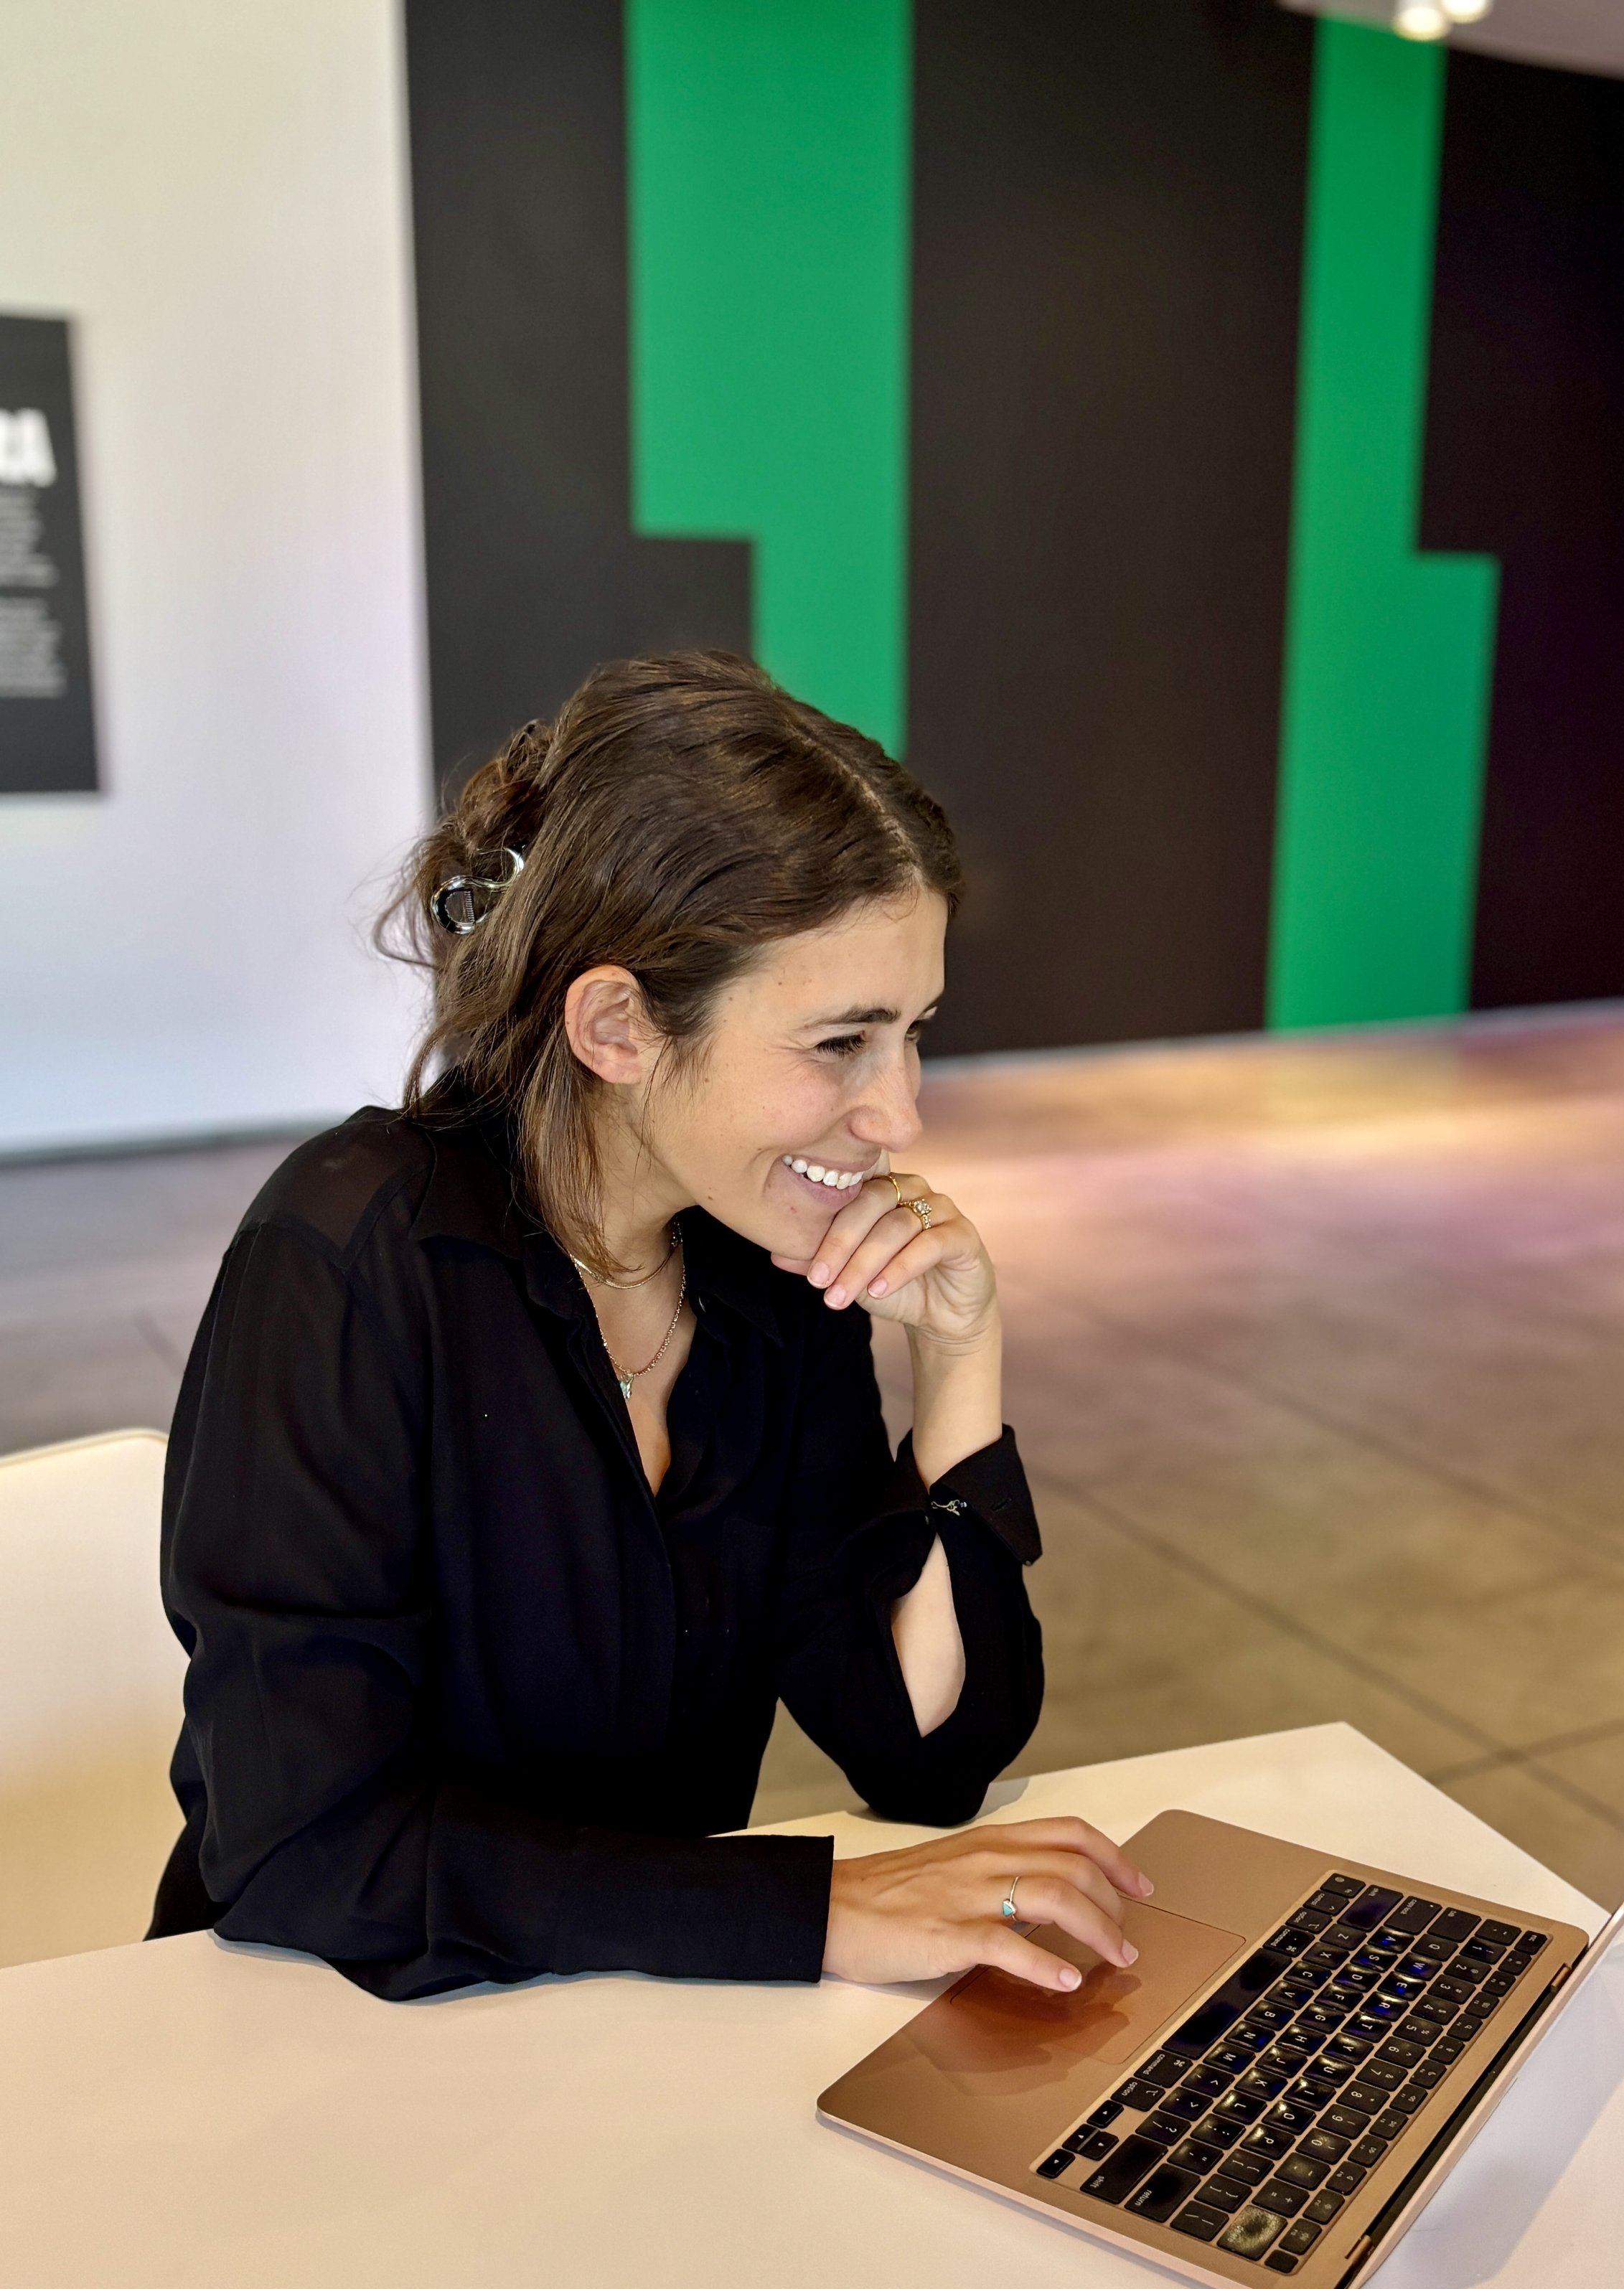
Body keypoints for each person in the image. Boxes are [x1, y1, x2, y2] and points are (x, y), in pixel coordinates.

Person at [149, 652, 1150, 2001]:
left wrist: (958, 1363)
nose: (900, 1114)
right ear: (617, 1024)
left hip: (623, 2021)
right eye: (840, 1042)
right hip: (322, 2041)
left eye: (915, 1032)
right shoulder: (347, 1258)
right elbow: (310, 1853)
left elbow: (924, 1751)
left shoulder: (766, 1276)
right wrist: (813, 1914)